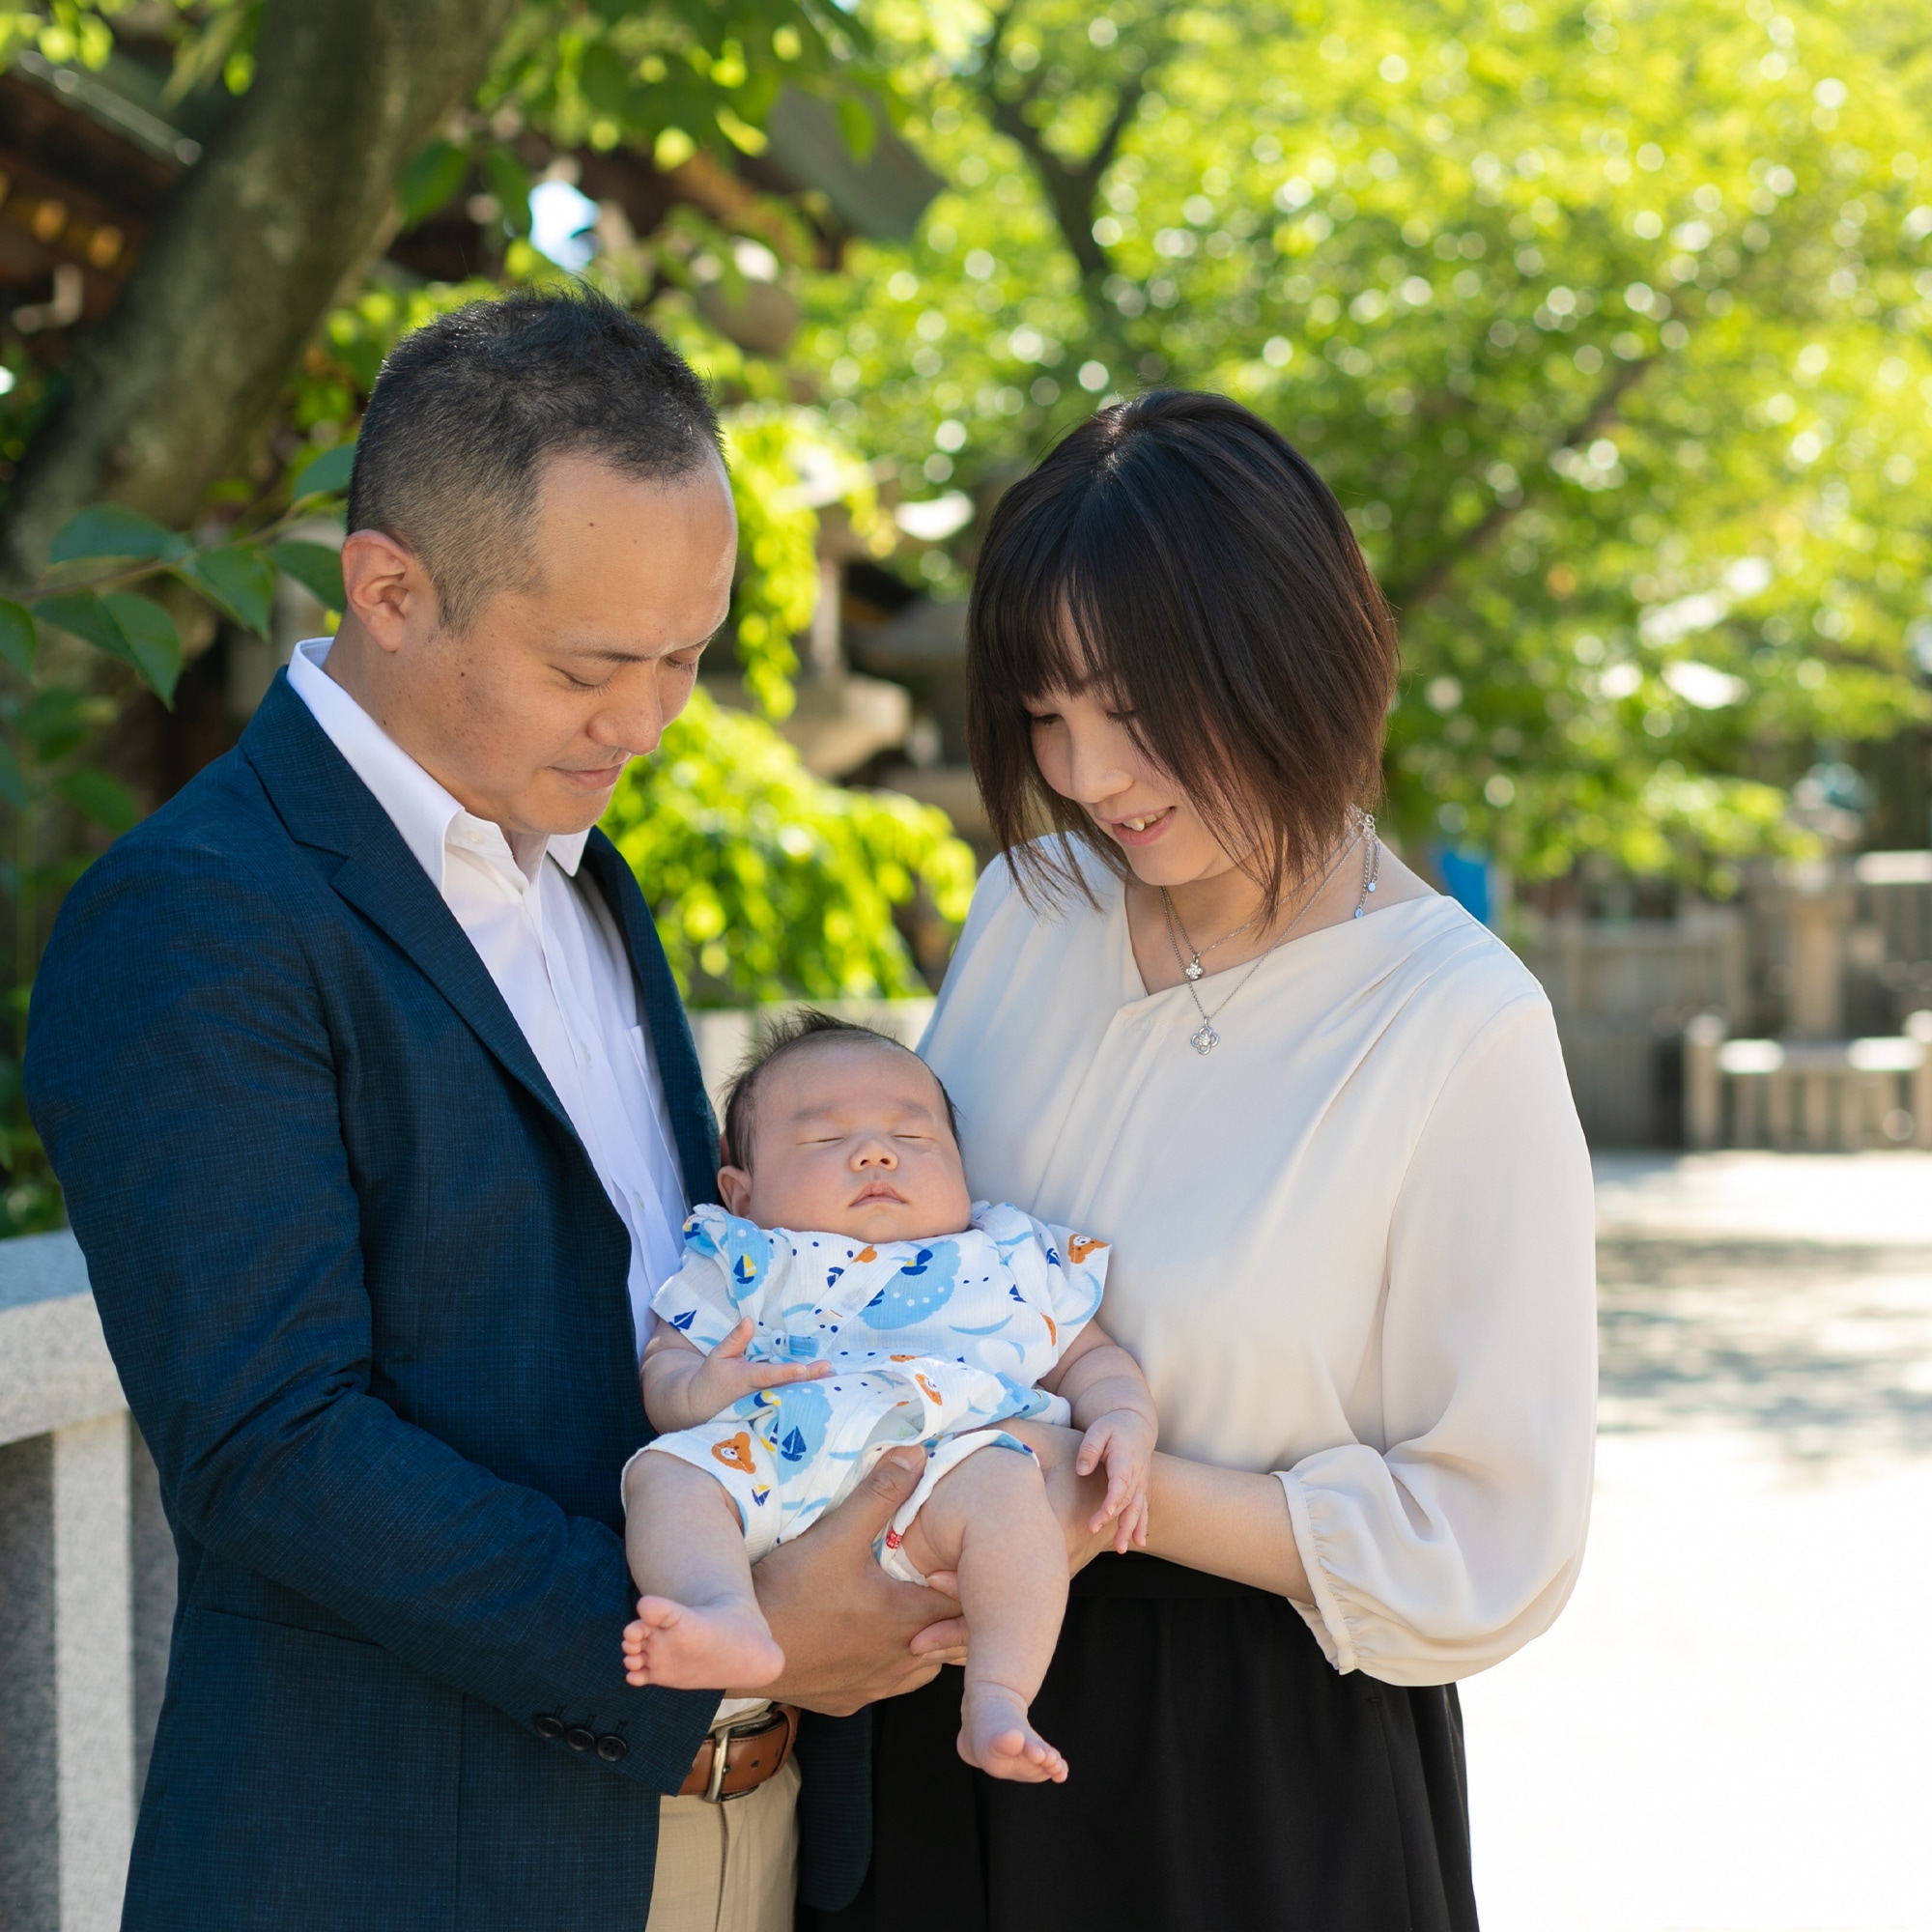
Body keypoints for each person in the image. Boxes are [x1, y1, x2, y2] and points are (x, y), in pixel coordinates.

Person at [25, 289, 964, 1932]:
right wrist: (715, 1629)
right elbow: (269, 1443)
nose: (654, 720)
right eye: (597, 665)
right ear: (389, 588)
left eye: (689, 657)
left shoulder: (592, 881)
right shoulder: (197, 914)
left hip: (762, 1836)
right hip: (416, 1860)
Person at [810, 390, 1599, 1932]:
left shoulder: (1455, 1022)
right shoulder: (1028, 910)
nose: (1090, 772)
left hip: (1236, 1765)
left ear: (1284, 647)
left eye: (1130, 702)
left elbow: (1489, 1537)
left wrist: (1109, 1492)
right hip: (931, 1719)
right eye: (1048, 714)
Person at [618, 1011, 1157, 1785]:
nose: (875, 1153)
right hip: (771, 1455)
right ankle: (727, 1613)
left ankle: (999, 1695)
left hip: (943, 1467)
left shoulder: (1003, 1255)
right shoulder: (744, 1256)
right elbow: (667, 1362)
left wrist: (1126, 1418)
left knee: (1012, 1494)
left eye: (913, 1138)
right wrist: (696, 1390)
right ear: (741, 1192)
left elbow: (1091, 1356)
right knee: (663, 1476)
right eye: (821, 1140)